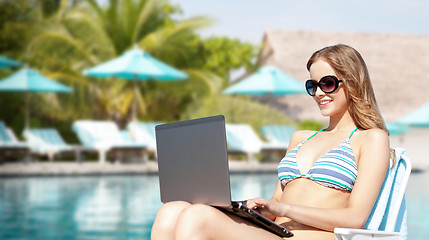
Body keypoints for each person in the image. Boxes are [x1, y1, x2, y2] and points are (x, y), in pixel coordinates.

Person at [150, 44, 392, 240]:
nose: (318, 93)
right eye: (312, 85)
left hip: (311, 238)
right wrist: (257, 208)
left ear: (351, 82)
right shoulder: (301, 137)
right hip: (275, 232)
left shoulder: (370, 138)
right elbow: (277, 202)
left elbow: (355, 218)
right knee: (170, 211)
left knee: (197, 217)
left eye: (327, 83)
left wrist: (283, 210)